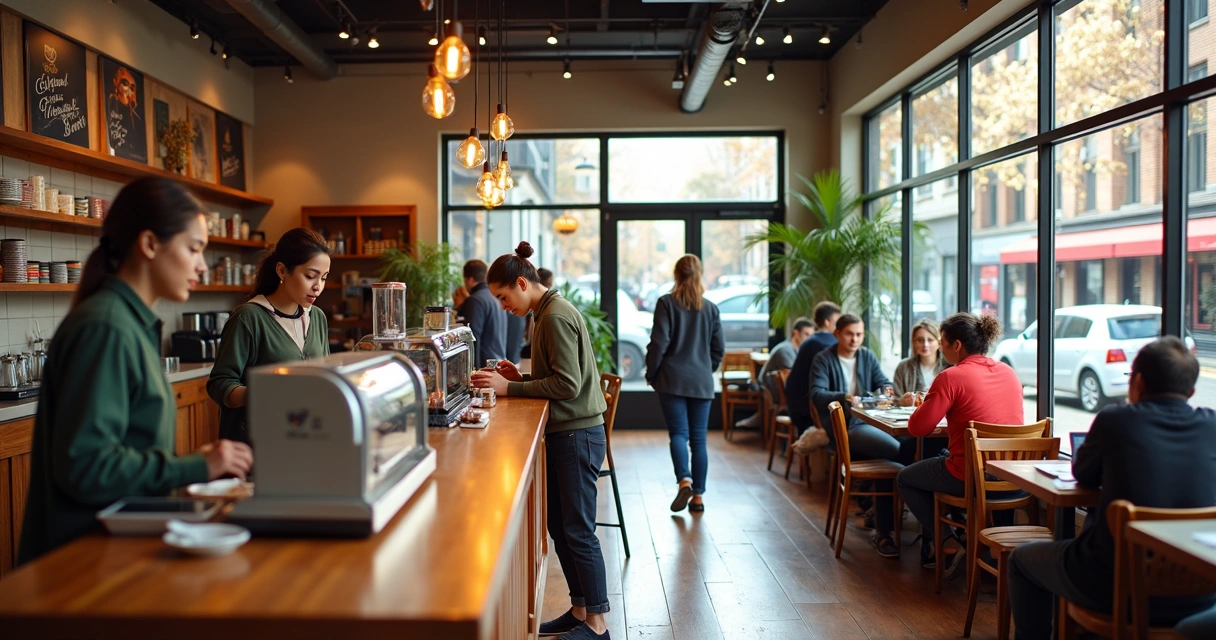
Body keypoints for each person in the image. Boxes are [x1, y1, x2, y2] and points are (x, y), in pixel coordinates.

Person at [18, 177, 253, 565]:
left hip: (115, 550)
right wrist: (199, 465)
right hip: (81, 563)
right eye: (194, 248)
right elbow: (86, 466)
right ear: (149, 244)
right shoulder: (106, 328)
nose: (201, 265)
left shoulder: (128, 322)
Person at [1008, 337, 1216, 640]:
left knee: (1020, 560)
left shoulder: (1117, 419)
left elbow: (1083, 474)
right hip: (1201, 593)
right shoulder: (1212, 425)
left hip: (1114, 586)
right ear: (1192, 391)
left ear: (1138, 381)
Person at [471, 242, 611, 640]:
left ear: (521, 283)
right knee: (561, 527)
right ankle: (581, 609)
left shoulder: (552, 317)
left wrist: (507, 389)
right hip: (570, 432)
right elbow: (560, 377)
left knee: (578, 530)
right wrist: (517, 377)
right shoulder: (546, 311)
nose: (501, 306)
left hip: (577, 434)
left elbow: (567, 385)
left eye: (502, 296)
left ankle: (597, 626)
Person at [896, 313, 1024, 568]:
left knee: (905, 478)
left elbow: (918, 428)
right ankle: (993, 554)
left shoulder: (951, 376)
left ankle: (947, 543)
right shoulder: (1009, 372)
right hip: (1013, 477)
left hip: (971, 476)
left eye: (941, 342)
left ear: (956, 346)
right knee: (948, 456)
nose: (939, 348)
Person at [208, 228, 331, 443]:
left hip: (304, 441)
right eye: (310, 276)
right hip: (255, 447)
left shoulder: (318, 318)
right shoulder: (249, 317)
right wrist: (263, 393)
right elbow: (219, 383)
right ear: (282, 271)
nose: (318, 287)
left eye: (323, 278)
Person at [809, 313, 903, 558]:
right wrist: (846, 397)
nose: (855, 339)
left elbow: (884, 383)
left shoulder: (866, 356)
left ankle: (884, 520)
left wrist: (886, 391)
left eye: (859, 334)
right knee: (895, 451)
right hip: (845, 430)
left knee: (905, 447)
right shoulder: (823, 359)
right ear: (837, 333)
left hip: (869, 426)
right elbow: (817, 394)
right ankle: (885, 526)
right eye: (850, 334)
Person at [644, 255, 725, 514]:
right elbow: (718, 349)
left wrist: (652, 372)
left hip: (672, 380)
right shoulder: (711, 308)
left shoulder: (666, 303)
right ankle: (698, 498)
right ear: (699, 275)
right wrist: (705, 370)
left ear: (676, 274)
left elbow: (659, 343)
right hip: (701, 382)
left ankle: (684, 480)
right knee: (699, 440)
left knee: (679, 434)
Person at [735, 316, 815, 430]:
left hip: (780, 392)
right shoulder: (785, 349)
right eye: (806, 334)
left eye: (811, 335)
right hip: (772, 393)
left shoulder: (796, 350)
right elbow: (794, 377)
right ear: (795, 333)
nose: (809, 339)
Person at [785, 301, 842, 440]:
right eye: (837, 321)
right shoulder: (828, 344)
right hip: (810, 413)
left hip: (797, 406)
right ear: (827, 322)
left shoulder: (810, 341)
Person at [453, 259, 508, 362]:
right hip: (498, 362)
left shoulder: (475, 300)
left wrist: (474, 370)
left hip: (484, 365)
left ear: (470, 280)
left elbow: (473, 339)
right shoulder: (495, 298)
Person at [893, 318, 949, 403]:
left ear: (939, 342)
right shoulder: (903, 367)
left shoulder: (950, 367)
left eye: (930, 340)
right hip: (909, 416)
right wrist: (901, 402)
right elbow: (894, 400)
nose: (925, 344)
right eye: (920, 340)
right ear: (914, 343)